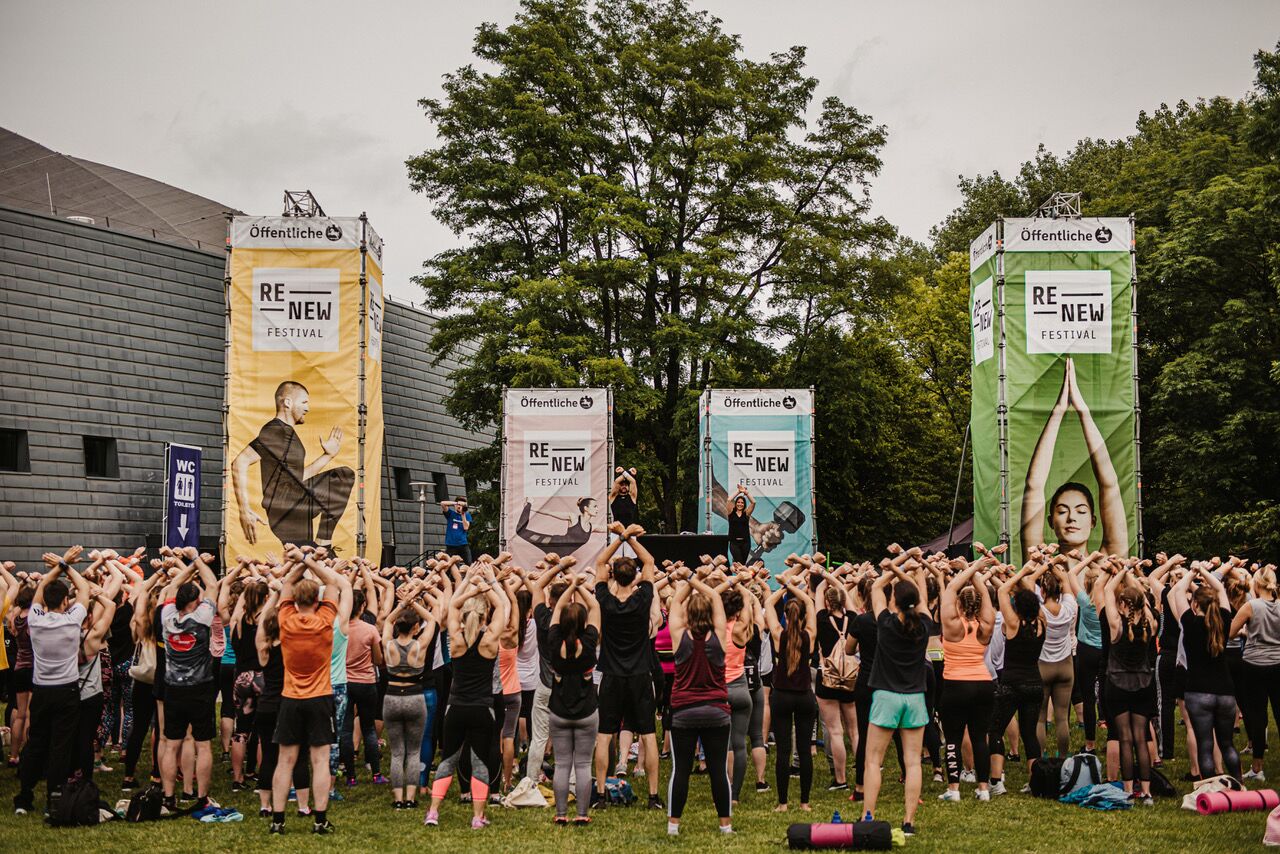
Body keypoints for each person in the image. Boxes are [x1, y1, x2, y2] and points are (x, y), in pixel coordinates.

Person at [270, 547, 352, 835]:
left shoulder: (285, 619)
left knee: (285, 761)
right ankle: (319, 819)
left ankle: (278, 820)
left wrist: (295, 562)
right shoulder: (326, 620)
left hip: (291, 698)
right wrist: (308, 560)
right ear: (317, 600)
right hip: (319, 698)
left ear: (293, 601)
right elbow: (332, 582)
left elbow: (286, 585)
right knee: (319, 761)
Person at [1021, 358, 1128, 565]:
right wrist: (1058, 411)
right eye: (1062, 511)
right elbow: (1033, 486)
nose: (1071, 518)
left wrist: (1083, 411)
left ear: (1093, 521)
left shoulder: (1105, 565)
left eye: (1081, 511)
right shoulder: (1042, 567)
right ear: (1051, 522)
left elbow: (1110, 485)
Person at [425, 561, 506, 829]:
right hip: (483, 709)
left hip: (456, 708)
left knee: (448, 760)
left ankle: (433, 812)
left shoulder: (456, 640)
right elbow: (503, 607)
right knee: (480, 762)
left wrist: (468, 583)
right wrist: (489, 582)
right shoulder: (489, 641)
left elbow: (452, 608)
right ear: (485, 617)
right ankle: (477, 816)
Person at [592, 524, 664, 810]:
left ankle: (599, 795)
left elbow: (599, 563)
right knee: (647, 734)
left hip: (611, 673)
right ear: (634, 577)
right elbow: (649, 562)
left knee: (604, 734)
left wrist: (618, 539)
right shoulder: (643, 598)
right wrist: (631, 539)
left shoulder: (605, 600)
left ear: (613, 576)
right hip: (639, 674)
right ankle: (654, 797)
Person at [232, 380, 354, 548]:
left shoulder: (285, 433)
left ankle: (321, 549)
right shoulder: (275, 430)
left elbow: (298, 477)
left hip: (294, 508)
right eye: (304, 402)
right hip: (286, 507)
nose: (308, 408)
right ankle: (324, 544)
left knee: (306, 563)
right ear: (288, 403)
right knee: (344, 475)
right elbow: (239, 462)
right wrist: (244, 510)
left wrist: (328, 456)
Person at [14, 546, 90, 815]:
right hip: (66, 690)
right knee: (61, 745)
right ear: (65, 602)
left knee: (36, 742)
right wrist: (67, 566)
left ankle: (24, 797)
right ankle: (54, 799)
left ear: (45, 603)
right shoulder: (73, 620)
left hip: (42, 690)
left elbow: (41, 588)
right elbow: (85, 590)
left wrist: (58, 565)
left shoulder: (35, 620)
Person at [861, 557, 933, 838]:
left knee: (873, 761)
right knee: (913, 761)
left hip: (886, 696)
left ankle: (869, 816)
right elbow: (920, 596)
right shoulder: (924, 624)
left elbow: (877, 586)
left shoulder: (886, 624)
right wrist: (906, 567)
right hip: (915, 697)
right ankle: (908, 821)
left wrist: (892, 566)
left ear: (895, 601)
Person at [665, 566, 734, 836]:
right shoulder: (719, 637)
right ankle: (725, 826)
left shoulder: (679, 637)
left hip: (684, 711)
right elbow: (717, 600)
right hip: (717, 710)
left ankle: (674, 826)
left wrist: (689, 580)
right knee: (718, 771)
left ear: (687, 615)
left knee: (680, 770)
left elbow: (676, 603)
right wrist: (700, 580)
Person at [157, 549, 222, 815]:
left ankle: (169, 796)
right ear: (195, 602)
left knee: (172, 743)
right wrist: (196, 559)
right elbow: (213, 585)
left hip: (173, 688)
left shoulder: (167, 617)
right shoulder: (202, 617)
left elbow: (172, 586)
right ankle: (202, 797)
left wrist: (185, 569)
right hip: (200, 687)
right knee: (203, 743)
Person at [1170, 566, 1240, 782]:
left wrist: (1192, 572)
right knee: (1227, 743)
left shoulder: (1189, 622)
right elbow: (1220, 587)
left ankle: (1209, 787)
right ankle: (1239, 783)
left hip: (1198, 692)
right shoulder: (1224, 620)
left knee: (1205, 744)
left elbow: (1179, 591)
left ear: (1195, 604)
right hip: (1226, 692)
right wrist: (1206, 572)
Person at [937, 557, 996, 802]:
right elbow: (986, 597)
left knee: (953, 738)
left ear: (959, 604)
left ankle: (953, 789)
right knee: (980, 737)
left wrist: (969, 569)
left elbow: (950, 588)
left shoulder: (951, 624)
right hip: (983, 683)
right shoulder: (986, 625)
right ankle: (983, 789)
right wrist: (977, 576)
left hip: (955, 684)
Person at [987, 559, 1047, 795]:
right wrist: (1020, 575)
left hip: (1011, 683)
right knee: (1029, 733)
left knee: (995, 729)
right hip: (1034, 682)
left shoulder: (1012, 623)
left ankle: (996, 781)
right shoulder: (1042, 623)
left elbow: (1002, 590)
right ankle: (1034, 782)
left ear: (1017, 608)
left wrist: (1019, 571)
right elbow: (1031, 596)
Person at [547, 574, 601, 825]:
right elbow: (596, 607)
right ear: (583, 623)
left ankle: (560, 814)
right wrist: (579, 585)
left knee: (561, 765)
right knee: (582, 764)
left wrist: (569, 587)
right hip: (587, 711)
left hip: (558, 710)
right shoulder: (590, 641)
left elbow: (557, 608)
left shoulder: (554, 640)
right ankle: (581, 814)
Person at [1102, 564, 1157, 804]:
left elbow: (1107, 590)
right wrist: (1131, 574)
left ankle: (1127, 789)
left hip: (1117, 683)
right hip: (1143, 683)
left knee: (1124, 738)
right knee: (1141, 738)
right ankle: (1146, 791)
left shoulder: (1116, 624)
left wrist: (1120, 570)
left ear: (1123, 605)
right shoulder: (1150, 624)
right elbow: (1142, 598)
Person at [763, 571, 817, 812]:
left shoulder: (778, 635)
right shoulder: (810, 635)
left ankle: (783, 803)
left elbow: (767, 603)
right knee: (804, 750)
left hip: (782, 696)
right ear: (804, 617)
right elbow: (808, 602)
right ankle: (804, 802)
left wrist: (784, 586)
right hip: (805, 696)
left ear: (785, 615)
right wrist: (793, 586)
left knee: (783, 751)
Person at [382, 585, 437, 809]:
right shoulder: (419, 645)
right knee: (413, 751)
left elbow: (386, 622)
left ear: (397, 627)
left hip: (392, 695)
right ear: (416, 628)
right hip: (415, 696)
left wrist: (402, 604)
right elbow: (432, 620)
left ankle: (397, 799)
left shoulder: (388, 643)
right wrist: (414, 602)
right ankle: (411, 798)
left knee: (397, 752)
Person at [1231, 564, 1280, 781]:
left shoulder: (1251, 606)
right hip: (1278, 663)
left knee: (1257, 715)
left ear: (1256, 584)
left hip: (1253, 665)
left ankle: (1257, 768)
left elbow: (1230, 632)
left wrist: (1246, 632)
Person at [814, 568, 858, 792]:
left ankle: (840, 779)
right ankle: (863, 774)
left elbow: (819, 590)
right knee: (855, 730)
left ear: (826, 603)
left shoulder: (821, 619)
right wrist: (837, 578)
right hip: (850, 678)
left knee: (835, 731)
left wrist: (824, 574)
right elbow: (848, 598)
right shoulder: (853, 618)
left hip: (828, 678)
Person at [342, 588, 386, 786]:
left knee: (345, 728)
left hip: (345, 680)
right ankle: (376, 773)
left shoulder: (339, 628)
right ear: (362, 607)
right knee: (368, 728)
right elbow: (378, 659)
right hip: (366, 682)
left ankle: (350, 776)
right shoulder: (370, 630)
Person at [1037, 557, 1079, 758]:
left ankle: (1041, 756)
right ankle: (1063, 757)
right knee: (1062, 717)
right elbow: (1068, 585)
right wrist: (1058, 571)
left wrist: (1045, 563)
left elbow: (1028, 583)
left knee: (1040, 717)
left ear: (1043, 591)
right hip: (1065, 665)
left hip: (1043, 664)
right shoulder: (1069, 608)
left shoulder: (1040, 609)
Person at [516, 498, 603, 553]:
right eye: (595, 506)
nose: (597, 509)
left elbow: (610, 527)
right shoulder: (573, 518)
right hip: (552, 543)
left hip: (562, 556)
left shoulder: (592, 527)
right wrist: (531, 507)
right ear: (586, 508)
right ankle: (528, 503)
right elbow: (549, 513)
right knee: (521, 532)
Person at [726, 487, 755, 565]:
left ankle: (741, 576)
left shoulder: (746, 514)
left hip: (745, 542)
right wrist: (738, 492)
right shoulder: (731, 513)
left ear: (744, 504)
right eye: (738, 502)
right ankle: (741, 576)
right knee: (739, 563)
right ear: (735, 504)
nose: (740, 504)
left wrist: (746, 492)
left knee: (743, 564)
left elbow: (753, 502)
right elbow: (729, 500)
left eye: (742, 503)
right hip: (734, 543)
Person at [442, 498, 473, 564]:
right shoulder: (451, 514)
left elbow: (466, 527)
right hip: (451, 545)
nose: (459, 506)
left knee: (469, 563)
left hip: (463, 544)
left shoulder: (467, 515)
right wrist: (456, 503)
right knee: (448, 565)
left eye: (461, 505)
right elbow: (442, 503)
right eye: (458, 505)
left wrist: (463, 514)